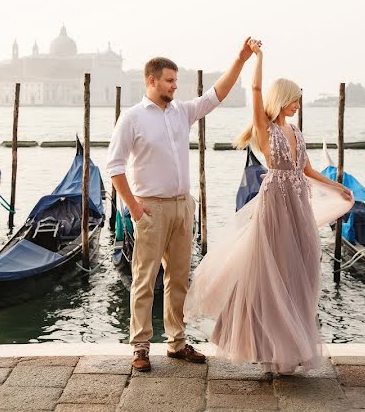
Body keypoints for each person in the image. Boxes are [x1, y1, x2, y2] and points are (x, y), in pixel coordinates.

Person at [184, 40, 354, 377]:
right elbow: (256, 87)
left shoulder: (296, 132)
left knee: (298, 275)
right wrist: (259, 58)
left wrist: (339, 186)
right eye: (292, 99)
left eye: (298, 100)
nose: (296, 105)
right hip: (274, 207)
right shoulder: (267, 129)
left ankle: (291, 348)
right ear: (281, 99)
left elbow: (307, 171)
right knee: (268, 277)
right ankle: (265, 349)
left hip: (298, 209)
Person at [106, 38, 254, 372]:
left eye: (176, 81)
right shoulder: (131, 118)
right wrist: (133, 207)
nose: (175, 86)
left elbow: (217, 94)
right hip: (150, 208)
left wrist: (241, 59)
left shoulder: (182, 112)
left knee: (179, 279)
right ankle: (141, 347)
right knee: (144, 280)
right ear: (151, 81)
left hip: (182, 206)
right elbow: (114, 167)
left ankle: (177, 342)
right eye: (170, 81)